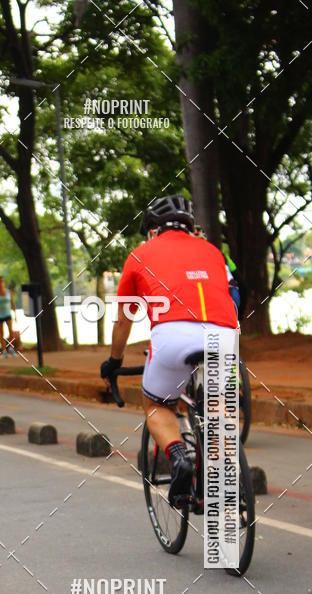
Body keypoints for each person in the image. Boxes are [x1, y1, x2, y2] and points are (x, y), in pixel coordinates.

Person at [100, 194, 238, 508]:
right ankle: (222, 478)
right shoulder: (213, 251)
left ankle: (179, 458)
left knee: (156, 404)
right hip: (224, 334)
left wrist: (114, 361)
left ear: (153, 229)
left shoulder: (139, 254)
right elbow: (233, 294)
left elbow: (124, 320)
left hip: (173, 334)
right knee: (218, 406)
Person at [0, 275, 17, 356]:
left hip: (8, 314)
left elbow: (13, 304)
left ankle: (11, 348)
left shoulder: (9, 292)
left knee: (11, 331)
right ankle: (4, 350)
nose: (1, 283)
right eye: (0, 282)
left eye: (3, 281)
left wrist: (15, 315)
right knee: (1, 333)